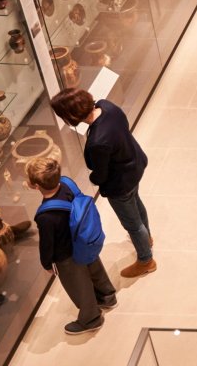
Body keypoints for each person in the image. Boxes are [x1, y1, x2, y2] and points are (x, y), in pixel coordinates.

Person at [50, 88, 156, 277]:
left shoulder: (98, 141)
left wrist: (93, 179)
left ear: (71, 115)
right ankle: (146, 239)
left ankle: (146, 260)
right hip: (134, 166)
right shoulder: (107, 106)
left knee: (132, 224)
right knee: (137, 204)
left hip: (120, 183)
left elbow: (101, 174)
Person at [27, 156, 117, 335]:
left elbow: (47, 244)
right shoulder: (67, 184)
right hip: (85, 239)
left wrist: (46, 264)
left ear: (36, 186)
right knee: (94, 268)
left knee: (78, 285)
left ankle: (91, 319)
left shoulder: (45, 216)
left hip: (66, 255)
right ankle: (107, 296)